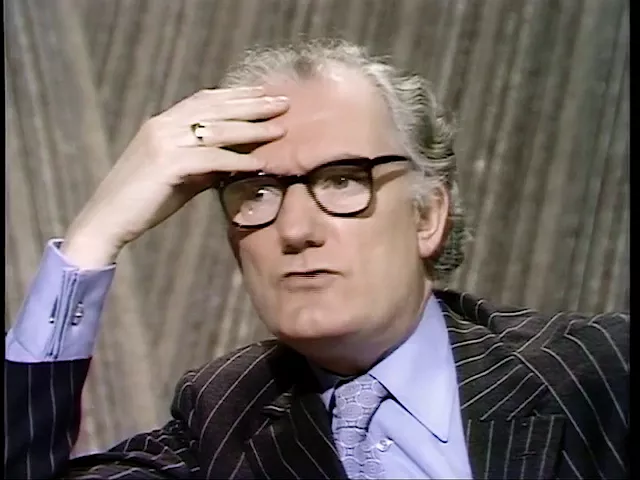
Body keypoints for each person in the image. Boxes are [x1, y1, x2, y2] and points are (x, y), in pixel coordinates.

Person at [4, 39, 628, 480]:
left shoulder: (598, 372)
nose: (296, 231)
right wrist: (92, 240)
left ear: (427, 216)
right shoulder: (218, 427)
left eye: (343, 180)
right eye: (258, 192)